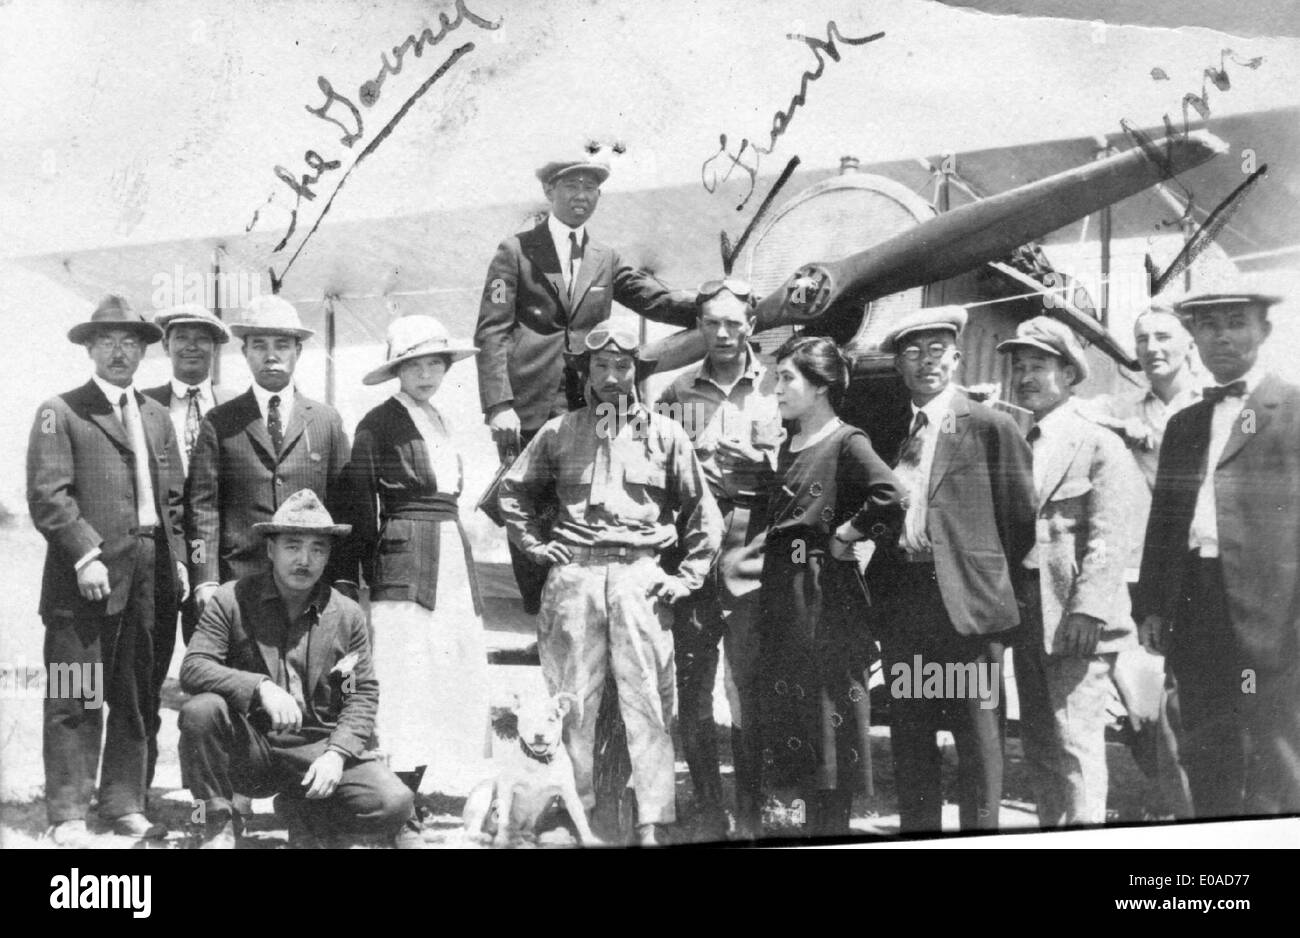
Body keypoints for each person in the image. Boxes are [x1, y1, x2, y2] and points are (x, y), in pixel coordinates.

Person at [497, 324, 722, 846]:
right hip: (574, 575)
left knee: (648, 701)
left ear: (636, 373)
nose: (611, 377)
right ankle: (580, 813)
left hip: (639, 577)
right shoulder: (559, 431)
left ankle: (653, 820)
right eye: (600, 367)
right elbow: (513, 493)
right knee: (573, 704)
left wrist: (684, 577)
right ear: (586, 373)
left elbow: (703, 516)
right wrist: (535, 546)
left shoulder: (666, 435)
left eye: (622, 366)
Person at [474, 151, 698, 611]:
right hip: (530, 404)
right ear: (549, 192)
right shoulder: (515, 251)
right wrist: (499, 405)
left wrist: (711, 304)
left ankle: (585, 610)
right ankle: (540, 616)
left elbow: (654, 299)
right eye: (571, 186)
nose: (581, 196)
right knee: (526, 505)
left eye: (590, 188)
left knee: (585, 504)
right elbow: (492, 330)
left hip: (590, 406)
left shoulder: (605, 258)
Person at [865, 307, 1036, 834]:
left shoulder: (991, 426)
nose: (926, 362)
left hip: (968, 612)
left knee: (978, 736)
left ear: (957, 358)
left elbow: (1019, 521)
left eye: (937, 350)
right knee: (912, 733)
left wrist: (981, 582)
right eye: (913, 353)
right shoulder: (892, 430)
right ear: (898, 365)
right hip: (906, 606)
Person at [27, 295, 187, 844]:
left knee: (138, 694)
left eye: (130, 342)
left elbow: (177, 504)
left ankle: (123, 802)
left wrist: (181, 563)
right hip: (84, 580)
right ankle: (69, 812)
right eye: (107, 342)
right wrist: (84, 554)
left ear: (144, 351)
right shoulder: (62, 410)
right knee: (76, 693)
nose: (119, 352)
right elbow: (49, 497)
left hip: (150, 573)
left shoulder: (157, 416)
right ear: (90, 348)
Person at [178, 489, 422, 849]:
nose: (304, 559)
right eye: (292, 546)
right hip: (253, 747)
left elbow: (361, 695)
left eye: (317, 549)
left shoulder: (347, 615)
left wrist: (337, 755)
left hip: (317, 747)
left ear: (327, 556)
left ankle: (302, 809)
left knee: (394, 803)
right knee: (200, 712)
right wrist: (260, 686)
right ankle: (218, 823)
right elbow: (194, 668)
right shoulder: (231, 599)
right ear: (270, 550)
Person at [1137, 289, 1300, 817]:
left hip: (1275, 611)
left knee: (1276, 743)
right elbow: (1164, 523)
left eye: (1236, 323)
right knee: (1206, 738)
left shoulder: (1293, 411)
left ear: (1265, 332)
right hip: (1196, 603)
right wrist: (1154, 605)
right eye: (1209, 327)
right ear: (1194, 339)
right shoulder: (1185, 424)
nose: (1223, 336)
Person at [757, 335, 903, 838]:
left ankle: (832, 829)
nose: (775, 389)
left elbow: (890, 494)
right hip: (785, 592)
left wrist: (846, 534)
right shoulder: (785, 443)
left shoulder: (847, 440)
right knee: (797, 715)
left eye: (786, 378)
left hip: (824, 595)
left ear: (819, 387)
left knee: (830, 712)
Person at [999, 316, 1140, 826]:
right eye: (1018, 368)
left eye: (1037, 366)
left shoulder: (1099, 441)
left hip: (1077, 619)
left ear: (1068, 372)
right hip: (1030, 611)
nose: (1025, 378)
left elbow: (1109, 535)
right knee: (1038, 737)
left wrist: (1088, 610)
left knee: (1075, 741)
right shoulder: (1019, 440)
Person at [342, 316, 490, 796]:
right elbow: (361, 505)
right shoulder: (377, 423)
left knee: (450, 667)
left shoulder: (442, 420)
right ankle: (398, 794)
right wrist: (363, 579)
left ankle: (423, 784)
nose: (426, 375)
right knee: (406, 671)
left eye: (435, 364)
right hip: (405, 556)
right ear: (397, 370)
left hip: (451, 554)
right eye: (415, 366)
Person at [656, 277, 782, 840]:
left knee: (750, 687)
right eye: (712, 323)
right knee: (695, 686)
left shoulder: (782, 382)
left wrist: (765, 462)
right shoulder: (680, 394)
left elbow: (811, 459)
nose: (724, 333)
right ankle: (710, 806)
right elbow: (659, 472)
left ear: (752, 324)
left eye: (735, 322)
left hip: (758, 542)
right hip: (696, 551)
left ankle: (752, 809)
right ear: (699, 327)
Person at [1078, 304, 1199, 819]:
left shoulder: (1214, 407)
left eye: (1164, 337)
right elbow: (1076, 411)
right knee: (1147, 709)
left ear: (1189, 342)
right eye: (1143, 339)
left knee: (1205, 705)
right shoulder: (1127, 409)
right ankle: (1175, 803)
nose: (1152, 349)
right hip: (1142, 578)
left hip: (1203, 576)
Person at [186, 294, 356, 616]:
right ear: (245, 352)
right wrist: (204, 578)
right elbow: (200, 509)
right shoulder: (220, 422)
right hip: (238, 587)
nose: (271, 355)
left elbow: (344, 506)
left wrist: (345, 576)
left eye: (282, 344)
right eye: (260, 345)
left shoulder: (326, 421)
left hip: (308, 585)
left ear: (298, 351)